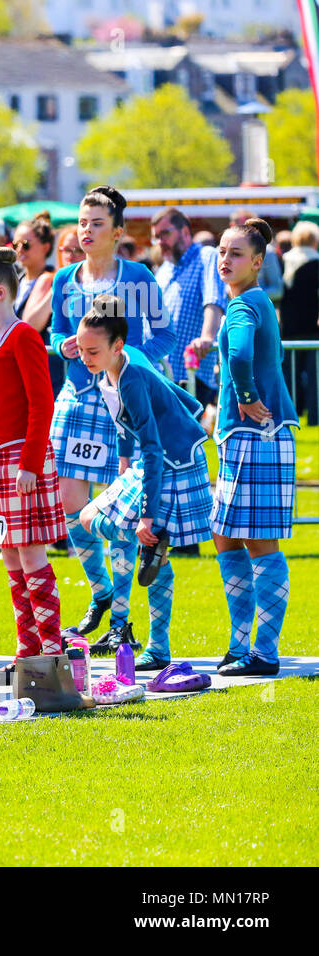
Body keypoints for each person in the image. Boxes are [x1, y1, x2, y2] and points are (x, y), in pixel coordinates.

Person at [49, 185, 174, 656]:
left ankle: (121, 620)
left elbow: (164, 335)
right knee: (68, 507)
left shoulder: (138, 275)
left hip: (120, 403)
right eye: (82, 221)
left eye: (97, 223)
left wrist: (130, 363)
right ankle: (101, 591)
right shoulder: (64, 278)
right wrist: (63, 342)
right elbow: (58, 330)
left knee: (118, 514)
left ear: (118, 232)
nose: (86, 230)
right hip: (76, 399)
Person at [74, 294, 214, 672]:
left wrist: (147, 517)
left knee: (114, 527)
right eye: (81, 349)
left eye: (92, 351)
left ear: (117, 345)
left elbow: (151, 447)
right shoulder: (117, 363)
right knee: (86, 517)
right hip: (154, 457)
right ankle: (137, 571)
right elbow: (131, 422)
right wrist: (123, 464)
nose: (84, 357)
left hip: (171, 461)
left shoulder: (130, 377)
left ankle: (158, 645)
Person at [0, 248, 68, 687]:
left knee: (32, 556)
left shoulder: (23, 336)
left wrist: (29, 464)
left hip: (24, 459)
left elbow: (43, 403)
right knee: (9, 558)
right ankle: (27, 654)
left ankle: (53, 655)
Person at [210, 217, 297, 678]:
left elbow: (241, 355)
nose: (226, 260)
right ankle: (242, 643)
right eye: (222, 252)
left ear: (258, 262)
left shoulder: (244, 305)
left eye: (236, 254)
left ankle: (263, 652)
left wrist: (245, 398)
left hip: (256, 438)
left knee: (260, 544)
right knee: (226, 535)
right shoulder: (253, 301)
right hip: (247, 438)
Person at [151, 207, 226, 410]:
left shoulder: (206, 256)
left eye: (165, 234)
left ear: (184, 231)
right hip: (160, 371)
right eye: (156, 237)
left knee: (185, 440)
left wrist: (207, 338)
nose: (160, 242)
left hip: (191, 372)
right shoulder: (163, 269)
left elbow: (214, 299)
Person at [14, 211, 62, 396]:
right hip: (20, 369)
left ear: (45, 246)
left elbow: (30, 325)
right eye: (15, 244)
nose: (20, 250)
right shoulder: (15, 280)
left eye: (25, 244)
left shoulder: (52, 279)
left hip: (45, 372)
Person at [280, 220, 319, 424]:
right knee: (315, 378)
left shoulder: (284, 261)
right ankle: (315, 417)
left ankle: (289, 416)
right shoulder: (317, 263)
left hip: (287, 328)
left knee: (289, 378)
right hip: (313, 328)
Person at [229, 209, 283, 304]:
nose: (247, 233)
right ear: (232, 227)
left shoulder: (267, 251)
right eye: (243, 228)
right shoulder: (221, 252)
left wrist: (246, 296)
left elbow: (277, 290)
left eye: (251, 229)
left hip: (255, 312)